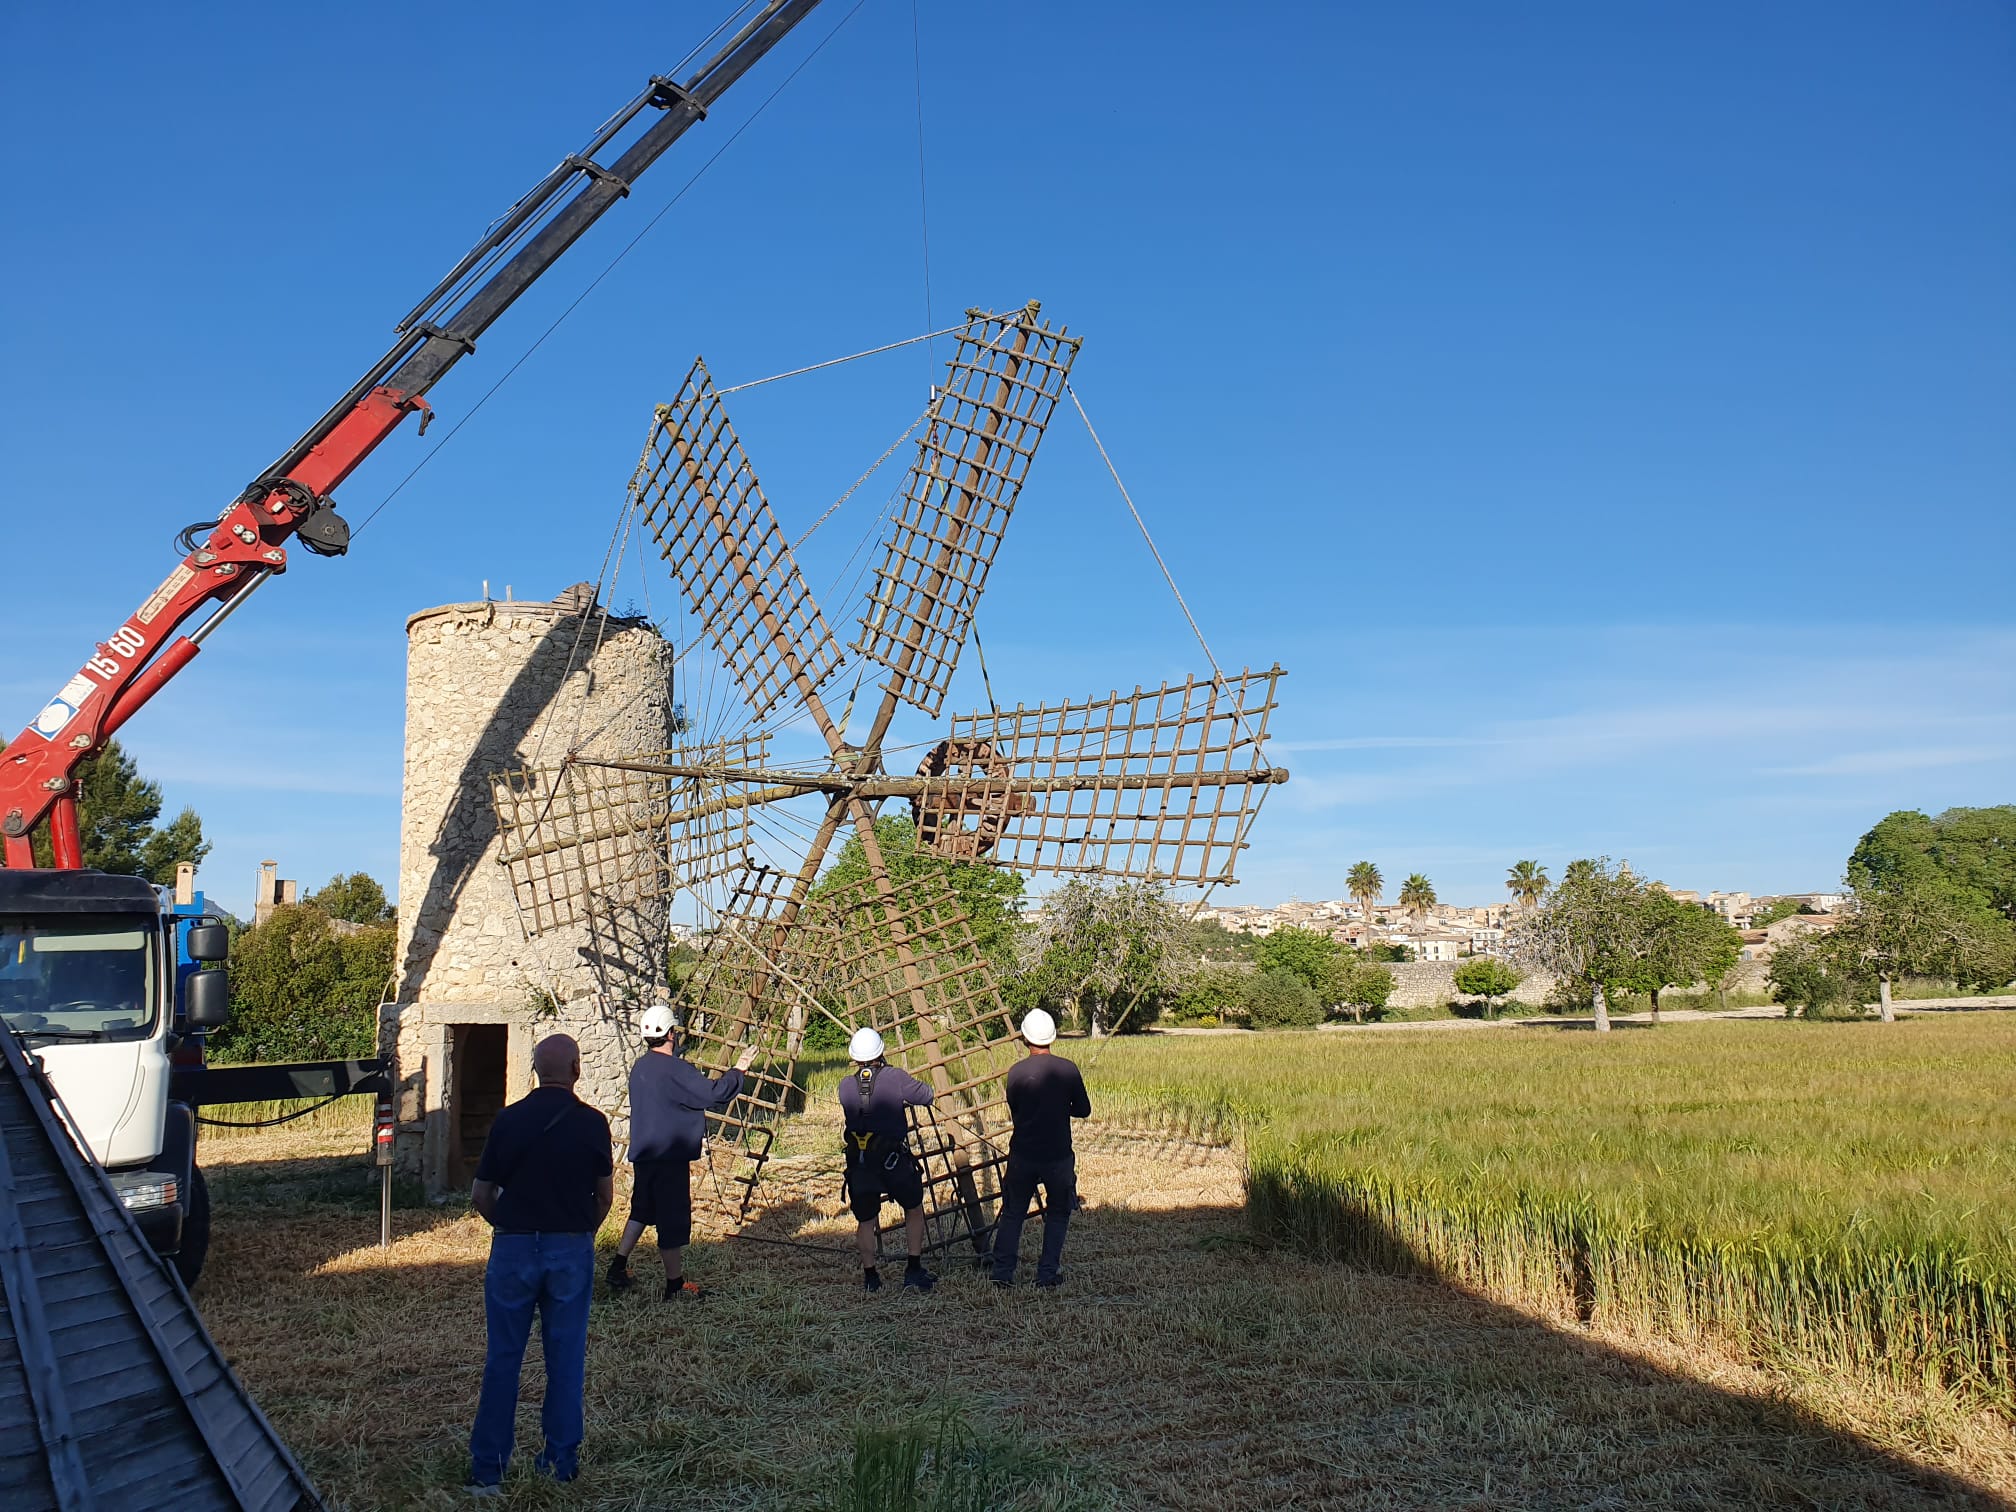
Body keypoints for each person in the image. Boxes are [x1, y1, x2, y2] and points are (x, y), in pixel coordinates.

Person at [466, 1033, 614, 1493]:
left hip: (513, 1246)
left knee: (503, 1359)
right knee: (566, 1359)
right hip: (569, 1246)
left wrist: (509, 1226)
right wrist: (579, 1229)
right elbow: (605, 1196)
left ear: (534, 1070)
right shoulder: (592, 1124)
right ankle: (559, 1463)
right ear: (576, 1069)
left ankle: (488, 1471)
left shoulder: (508, 1120)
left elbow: (481, 1194)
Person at [606, 1003, 756, 1299]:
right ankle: (675, 1285)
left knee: (642, 1208)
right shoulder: (675, 1069)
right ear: (671, 1033)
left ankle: (618, 1265)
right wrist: (739, 1070)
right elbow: (713, 1094)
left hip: (645, 1152)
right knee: (671, 1220)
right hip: (669, 1155)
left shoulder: (640, 1067)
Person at [990, 1009, 1091, 1290]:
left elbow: (1016, 1108)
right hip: (1057, 1154)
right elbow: (1083, 1110)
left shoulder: (1016, 1072)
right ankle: (1047, 1274)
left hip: (1022, 1152)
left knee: (1013, 1213)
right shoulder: (1068, 1068)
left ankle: (1002, 1272)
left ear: (1025, 1038)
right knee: (1058, 1212)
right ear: (1052, 1037)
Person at [838, 1026, 937, 1293]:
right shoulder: (894, 1077)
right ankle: (913, 1269)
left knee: (866, 1221)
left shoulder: (845, 1086)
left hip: (860, 1162)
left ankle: (871, 1277)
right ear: (881, 1051)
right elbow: (926, 1095)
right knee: (914, 1208)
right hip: (893, 1160)